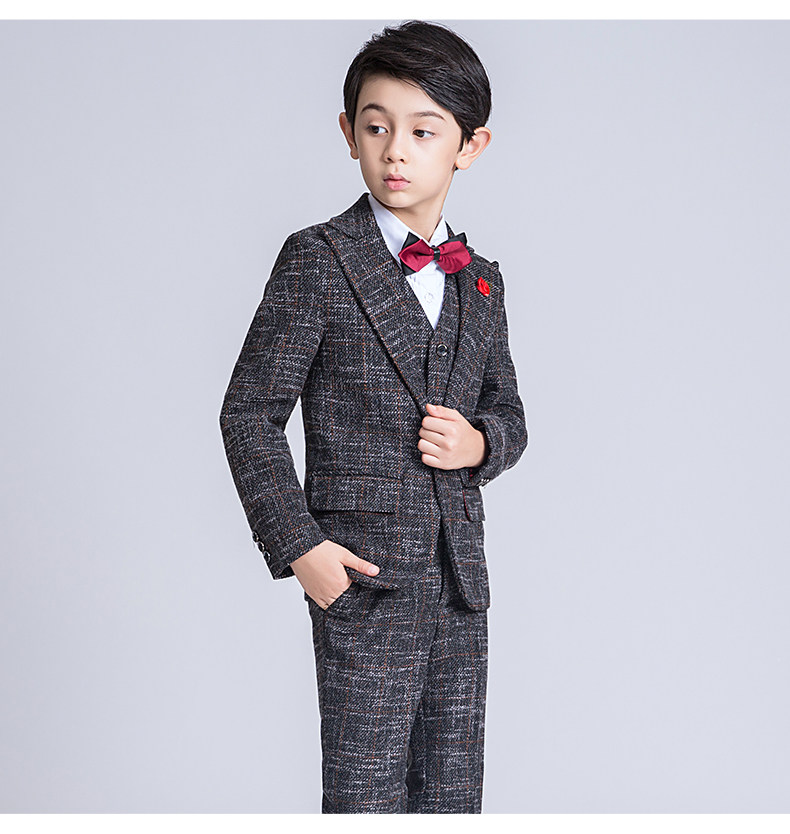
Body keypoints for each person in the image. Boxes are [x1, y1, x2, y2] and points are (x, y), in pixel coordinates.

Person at [219, 19, 528, 814]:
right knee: (365, 794)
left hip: (461, 581)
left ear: (469, 146)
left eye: (423, 132)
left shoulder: (481, 282)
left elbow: (509, 412)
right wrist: (302, 548)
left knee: (452, 794)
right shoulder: (319, 259)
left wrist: (480, 443)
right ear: (348, 133)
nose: (396, 152)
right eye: (376, 127)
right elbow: (250, 413)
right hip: (363, 577)